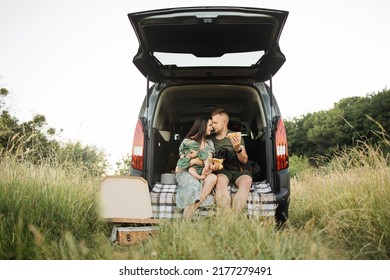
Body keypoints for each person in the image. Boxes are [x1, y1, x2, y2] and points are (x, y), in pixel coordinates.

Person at [210, 108, 252, 213]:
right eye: (212, 122)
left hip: (239, 169)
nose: (212, 125)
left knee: (246, 181)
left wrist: (238, 148)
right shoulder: (210, 139)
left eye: (215, 122)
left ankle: (235, 215)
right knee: (220, 180)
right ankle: (226, 214)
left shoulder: (235, 137)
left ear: (224, 123)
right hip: (223, 171)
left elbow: (244, 160)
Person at [175, 115, 217, 218]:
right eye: (210, 125)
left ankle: (191, 209)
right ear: (202, 125)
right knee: (194, 184)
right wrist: (194, 161)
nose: (212, 128)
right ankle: (186, 217)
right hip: (186, 172)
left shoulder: (209, 143)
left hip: (201, 173)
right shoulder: (187, 142)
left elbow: (209, 160)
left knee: (213, 177)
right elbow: (181, 164)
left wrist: (208, 168)